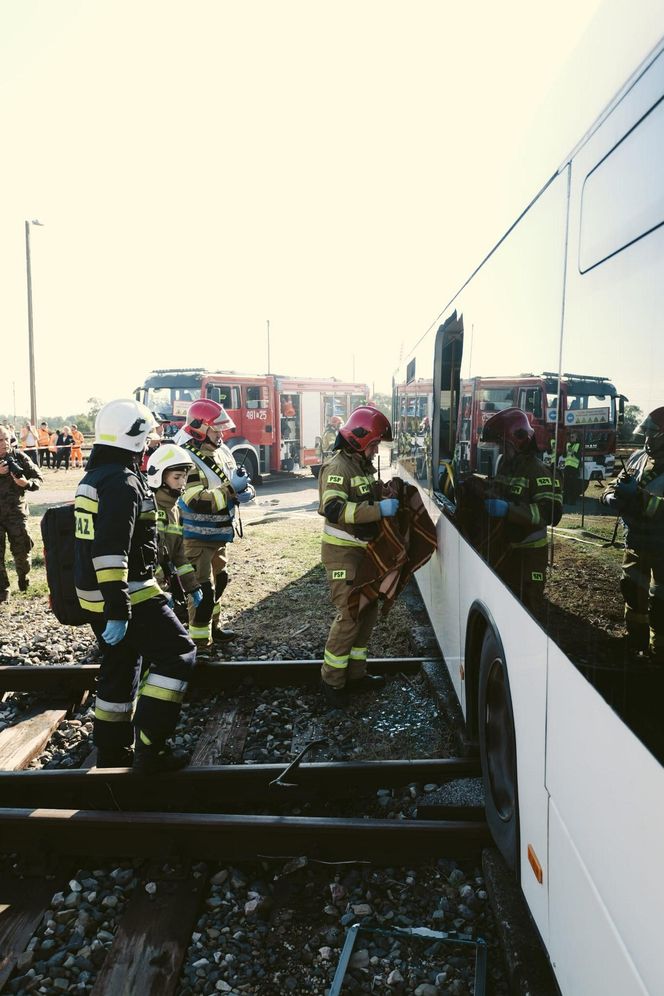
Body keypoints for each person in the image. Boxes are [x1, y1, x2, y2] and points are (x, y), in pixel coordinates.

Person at [73, 399, 196, 772]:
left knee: (121, 663)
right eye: (150, 433)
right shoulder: (124, 483)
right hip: (129, 592)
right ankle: (151, 748)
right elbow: (111, 552)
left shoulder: (94, 477)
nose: (153, 440)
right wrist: (119, 610)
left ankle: (111, 752)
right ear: (134, 435)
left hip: (95, 595)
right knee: (179, 654)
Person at [318, 405, 397, 707]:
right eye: (374, 444)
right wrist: (378, 510)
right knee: (351, 615)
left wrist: (383, 494)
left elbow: (363, 497)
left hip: (362, 555)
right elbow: (334, 509)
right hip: (343, 555)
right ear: (360, 440)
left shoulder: (360, 467)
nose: (376, 451)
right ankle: (332, 683)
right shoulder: (339, 468)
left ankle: (356, 675)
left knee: (367, 613)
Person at [178, 399, 255, 651]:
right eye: (216, 430)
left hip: (220, 535)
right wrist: (232, 489)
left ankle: (214, 627)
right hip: (197, 538)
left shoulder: (223, 452)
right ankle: (199, 644)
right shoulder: (187, 459)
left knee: (219, 582)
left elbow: (235, 480)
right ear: (199, 429)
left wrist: (247, 490)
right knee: (202, 591)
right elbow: (196, 501)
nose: (221, 435)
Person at [481, 407, 563, 614]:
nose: (500, 451)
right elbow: (500, 491)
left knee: (526, 609)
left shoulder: (538, 471)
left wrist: (508, 510)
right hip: (505, 549)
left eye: (503, 445)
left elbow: (550, 513)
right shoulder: (506, 466)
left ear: (518, 441)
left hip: (529, 555)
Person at [600, 407, 664, 664]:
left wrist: (637, 497)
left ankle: (658, 654)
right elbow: (611, 488)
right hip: (636, 542)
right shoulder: (638, 457)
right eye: (646, 432)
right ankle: (635, 642)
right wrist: (611, 497)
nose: (646, 439)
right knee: (632, 589)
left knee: (661, 603)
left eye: (653, 433)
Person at [146, 444, 203, 622]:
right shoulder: (149, 507)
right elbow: (147, 558)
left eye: (184, 477)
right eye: (177, 477)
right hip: (148, 589)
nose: (182, 482)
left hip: (162, 586)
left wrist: (192, 586)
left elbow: (179, 554)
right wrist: (160, 591)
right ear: (159, 477)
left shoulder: (175, 509)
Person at [0, 425, 43, 602]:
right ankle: (3, 590)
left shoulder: (19, 456)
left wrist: (26, 484)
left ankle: (23, 579)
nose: (3, 444)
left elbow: (38, 478)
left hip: (17, 513)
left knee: (22, 550)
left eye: (5, 439)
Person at [562, 431, 582, 505]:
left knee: (573, 485)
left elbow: (579, 456)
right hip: (567, 467)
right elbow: (564, 455)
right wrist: (565, 451)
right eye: (570, 437)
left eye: (573, 437)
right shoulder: (567, 444)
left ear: (576, 437)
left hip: (574, 468)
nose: (571, 438)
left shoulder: (579, 445)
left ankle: (572, 501)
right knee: (565, 484)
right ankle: (565, 500)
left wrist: (573, 452)